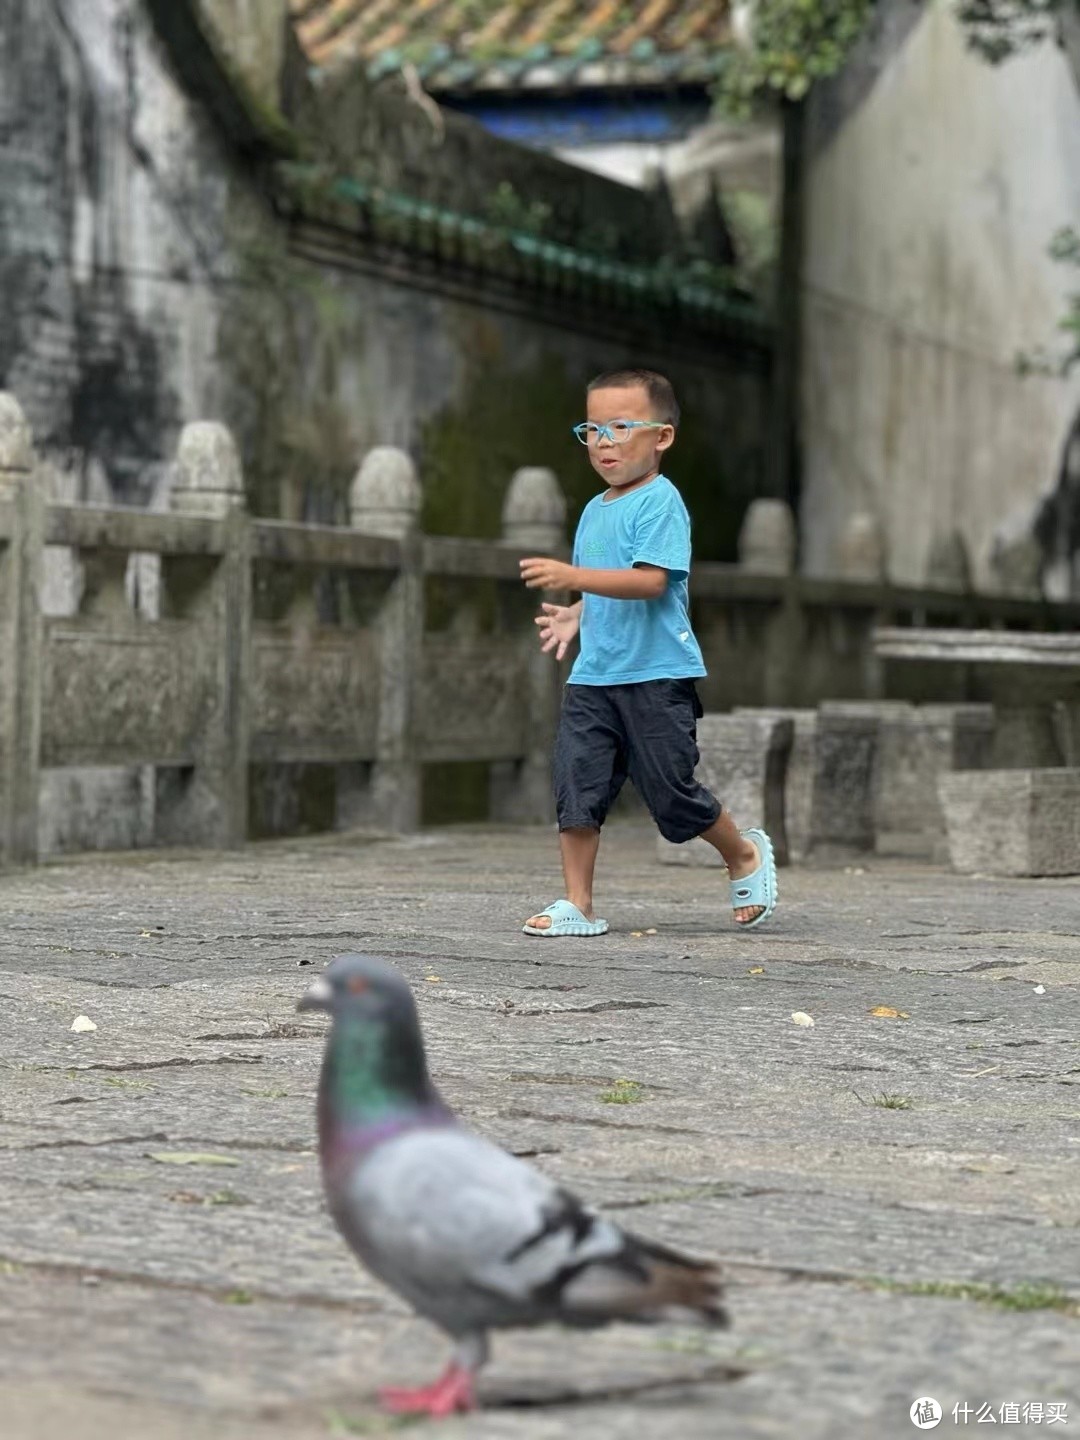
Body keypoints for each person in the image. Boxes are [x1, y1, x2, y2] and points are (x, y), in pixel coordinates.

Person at [518, 368, 777, 937]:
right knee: (576, 783)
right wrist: (577, 610)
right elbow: (607, 584)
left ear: (661, 437)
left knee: (671, 793)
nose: (604, 442)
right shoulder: (594, 510)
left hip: (657, 674)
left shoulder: (661, 502)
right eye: (592, 429)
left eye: (620, 427)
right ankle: (578, 904)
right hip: (594, 676)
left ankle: (743, 855)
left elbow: (650, 581)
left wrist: (571, 575)